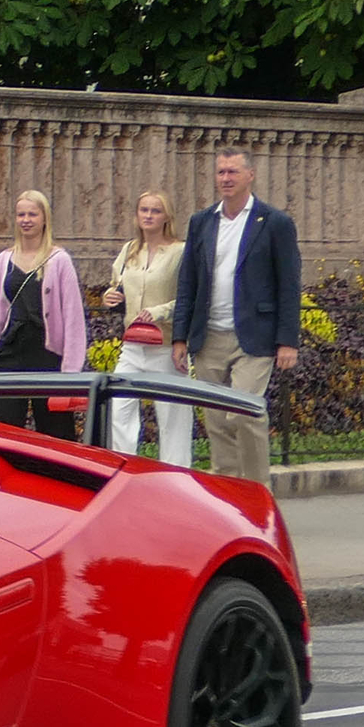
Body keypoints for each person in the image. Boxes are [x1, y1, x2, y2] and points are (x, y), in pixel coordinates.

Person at [169, 149, 302, 485]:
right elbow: (188, 282)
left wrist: (287, 340)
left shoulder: (274, 223)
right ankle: (227, 490)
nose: (226, 179)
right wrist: (180, 336)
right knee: (216, 420)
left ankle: (259, 491)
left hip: (254, 337)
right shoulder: (202, 222)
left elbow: (288, 284)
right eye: (221, 172)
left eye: (232, 172)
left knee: (245, 414)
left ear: (250, 175)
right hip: (209, 335)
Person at [0, 190, 86, 439]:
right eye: (21, 214)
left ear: (44, 219)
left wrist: (71, 371)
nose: (26, 220)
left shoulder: (59, 260)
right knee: (4, 429)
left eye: (32, 214)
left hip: (47, 354)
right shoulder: (3, 260)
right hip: (9, 352)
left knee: (55, 432)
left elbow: (73, 317)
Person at [101, 189, 193, 465]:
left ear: (167, 216)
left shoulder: (180, 252)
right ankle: (124, 469)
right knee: (120, 410)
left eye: (155, 210)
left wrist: (160, 311)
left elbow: (190, 298)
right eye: (144, 210)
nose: (149, 215)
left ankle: (176, 479)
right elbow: (118, 286)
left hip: (165, 346)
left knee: (172, 418)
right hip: (133, 344)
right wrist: (110, 297)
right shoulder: (130, 250)